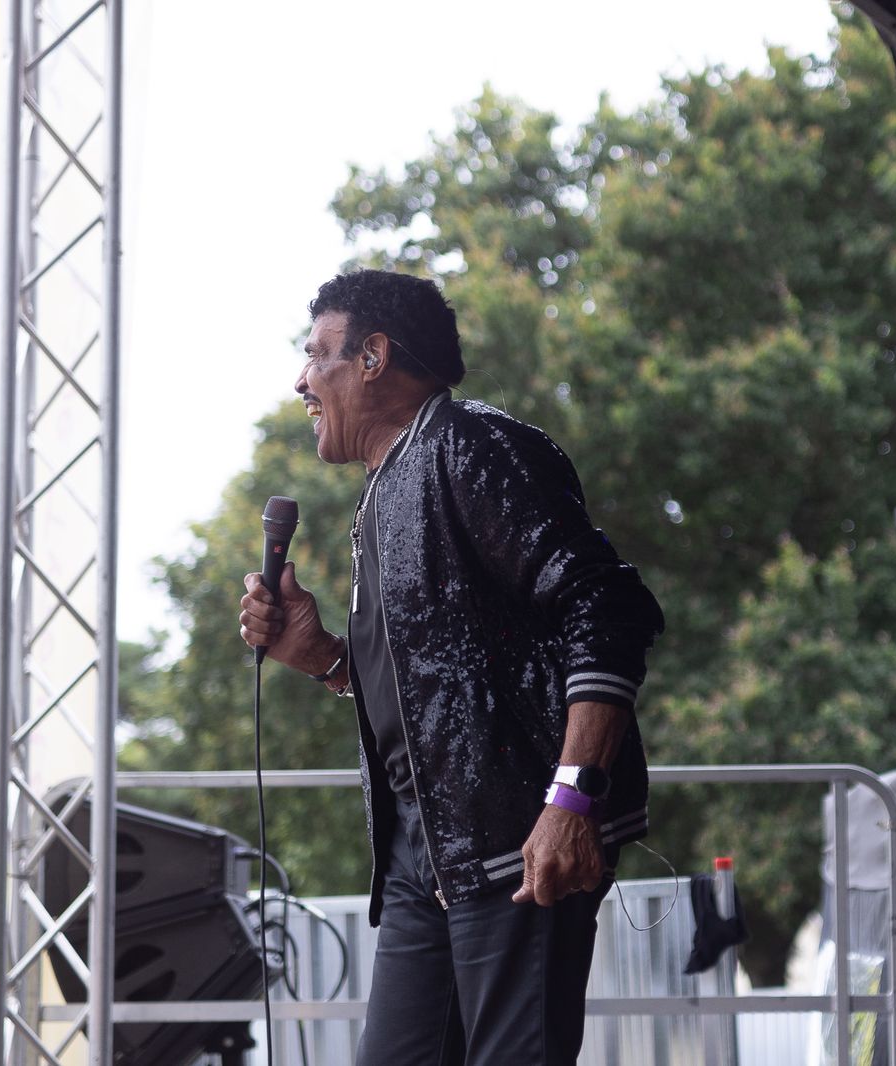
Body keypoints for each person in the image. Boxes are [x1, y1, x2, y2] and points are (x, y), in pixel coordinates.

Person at [238, 269, 664, 1066]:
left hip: (517, 841)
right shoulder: (383, 488)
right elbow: (443, 685)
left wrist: (572, 799)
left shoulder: (470, 446)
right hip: (423, 851)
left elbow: (607, 606)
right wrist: (323, 658)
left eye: (317, 355)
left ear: (373, 356)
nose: (301, 380)